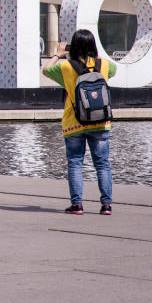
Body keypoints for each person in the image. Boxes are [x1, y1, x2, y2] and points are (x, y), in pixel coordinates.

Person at [42, 28, 117, 216]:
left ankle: (77, 205)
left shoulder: (67, 67)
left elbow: (46, 70)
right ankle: (106, 205)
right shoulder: (105, 65)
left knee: (75, 163)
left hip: (74, 122)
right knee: (102, 164)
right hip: (100, 122)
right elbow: (113, 72)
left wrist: (57, 54)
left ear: (73, 46)